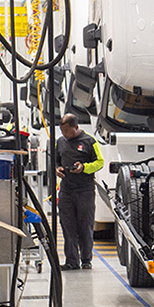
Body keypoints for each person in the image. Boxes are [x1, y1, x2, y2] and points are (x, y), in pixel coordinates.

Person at [55, 114, 104, 270]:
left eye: (67, 131)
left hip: (85, 191)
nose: (64, 134)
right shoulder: (60, 142)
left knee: (85, 226)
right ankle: (71, 261)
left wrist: (84, 167)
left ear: (76, 127)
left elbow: (100, 162)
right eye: (62, 131)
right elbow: (56, 160)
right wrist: (58, 169)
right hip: (66, 190)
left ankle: (86, 260)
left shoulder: (89, 142)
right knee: (68, 227)